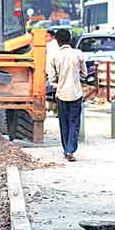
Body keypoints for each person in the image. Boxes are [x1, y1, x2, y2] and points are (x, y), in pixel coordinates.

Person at [47, 28, 87, 162]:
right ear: (69, 40)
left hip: (61, 94)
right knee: (74, 123)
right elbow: (84, 74)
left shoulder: (54, 56)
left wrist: (59, 83)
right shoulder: (78, 54)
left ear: (57, 41)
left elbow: (52, 78)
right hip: (76, 93)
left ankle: (66, 150)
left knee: (63, 123)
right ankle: (70, 150)